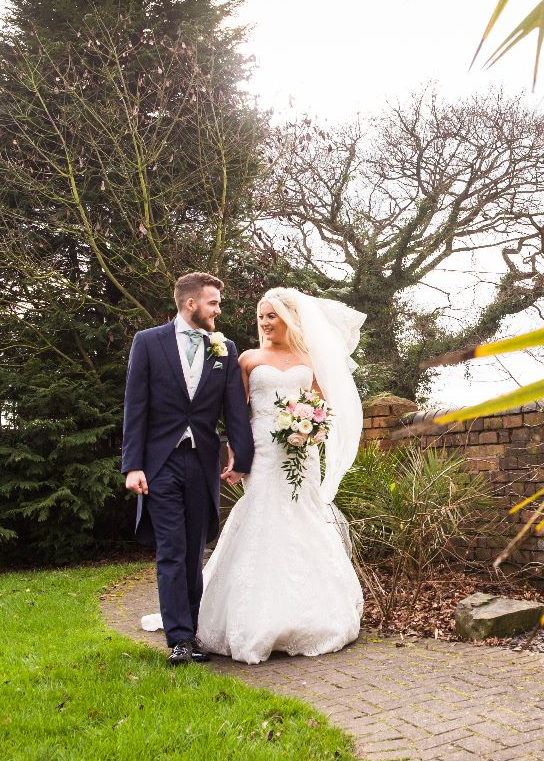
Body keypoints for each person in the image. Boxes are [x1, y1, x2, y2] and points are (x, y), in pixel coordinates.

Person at [150, 286, 366, 664]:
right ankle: (252, 616)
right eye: (261, 316)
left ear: (289, 319)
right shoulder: (248, 358)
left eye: (272, 316)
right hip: (264, 451)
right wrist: (237, 454)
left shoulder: (310, 359)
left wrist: (311, 426)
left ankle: (311, 612)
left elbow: (323, 406)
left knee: (302, 517)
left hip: (301, 452)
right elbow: (237, 410)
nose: (265, 323)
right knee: (262, 516)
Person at [121, 272, 254, 665]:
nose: (218, 310)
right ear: (191, 303)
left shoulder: (224, 348)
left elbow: (234, 409)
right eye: (213, 303)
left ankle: (192, 633)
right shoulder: (148, 342)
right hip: (160, 463)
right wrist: (133, 466)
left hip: (201, 462)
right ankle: (179, 638)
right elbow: (135, 407)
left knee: (195, 550)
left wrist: (242, 459)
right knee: (172, 549)